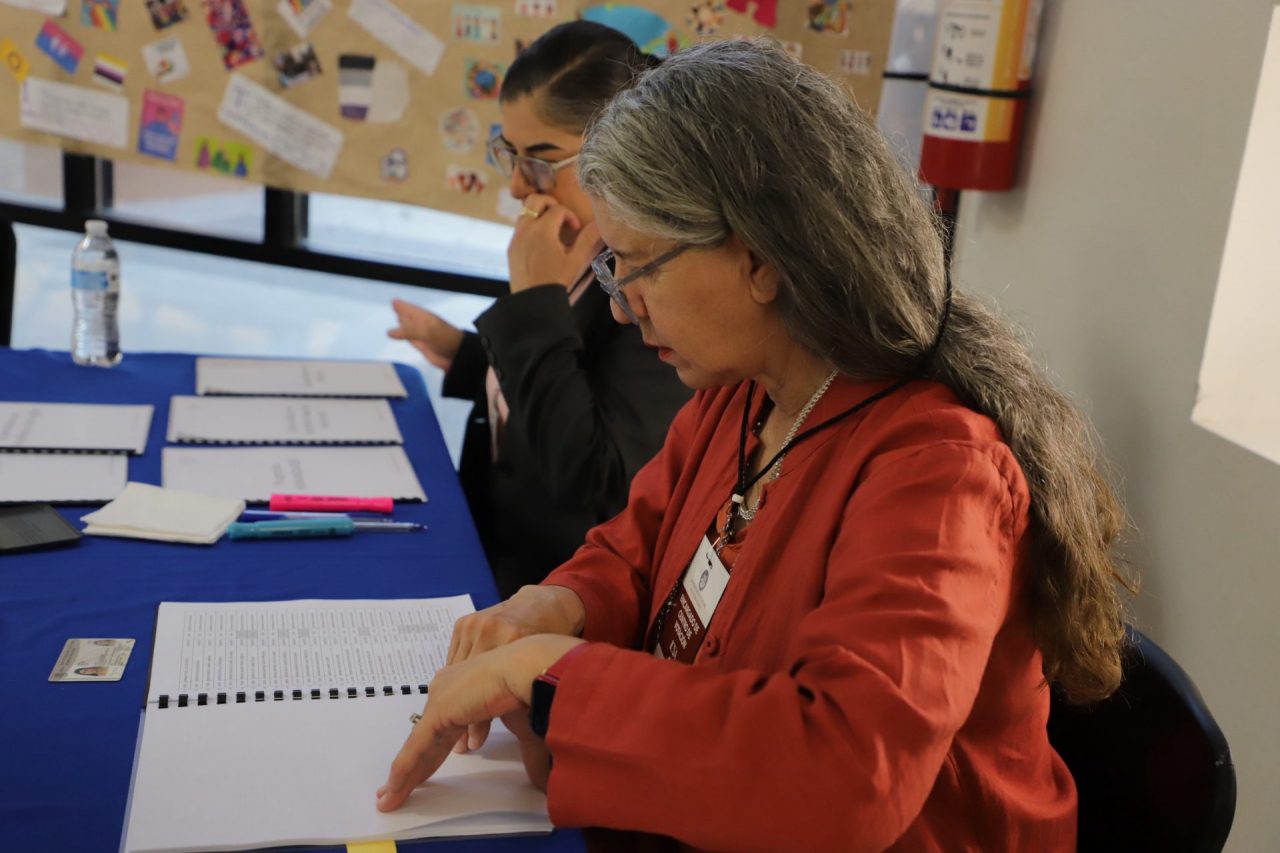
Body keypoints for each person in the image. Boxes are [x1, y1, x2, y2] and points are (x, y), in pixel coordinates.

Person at [377, 39, 1134, 851]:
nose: (624, 306)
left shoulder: (940, 471)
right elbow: (634, 547)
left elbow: (845, 776)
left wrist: (548, 674)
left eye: (639, 266)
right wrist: (558, 603)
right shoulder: (740, 394)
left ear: (761, 258)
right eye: (613, 270)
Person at [388, 22, 690, 598]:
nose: (518, 187)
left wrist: (531, 300)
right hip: (498, 551)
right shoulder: (581, 247)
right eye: (509, 153)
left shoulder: (653, 284)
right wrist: (465, 354)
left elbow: (596, 480)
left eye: (542, 160)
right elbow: (559, 378)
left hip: (561, 594)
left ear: (622, 151)